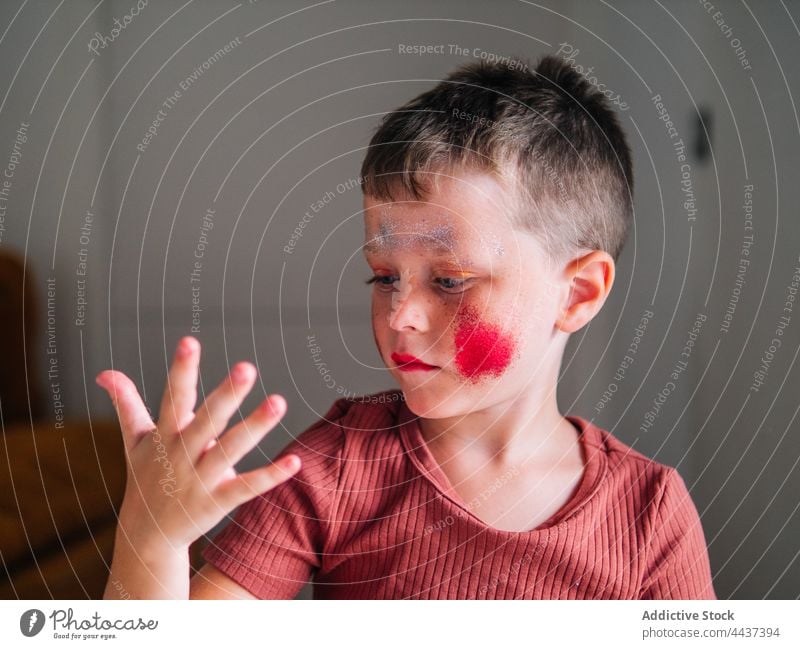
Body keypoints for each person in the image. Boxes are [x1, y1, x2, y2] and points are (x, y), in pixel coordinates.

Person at [98, 55, 716, 599]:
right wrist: (153, 537)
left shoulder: (650, 515)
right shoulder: (334, 467)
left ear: (577, 293)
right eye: (385, 276)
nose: (400, 315)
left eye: (449, 281)